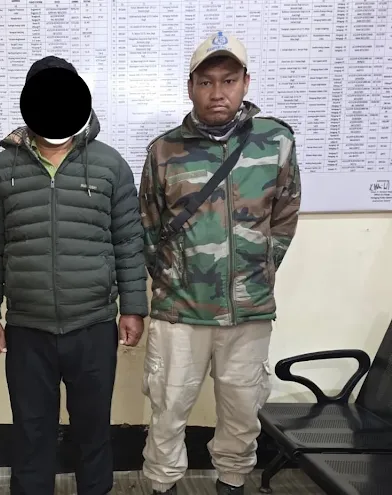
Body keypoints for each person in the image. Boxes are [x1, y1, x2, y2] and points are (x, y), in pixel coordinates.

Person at [0, 55, 149, 495]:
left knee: (93, 428)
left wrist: (133, 308)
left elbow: (129, 241)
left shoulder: (110, 165)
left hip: (93, 324)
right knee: (31, 431)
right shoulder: (1, 170)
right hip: (28, 328)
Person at [138, 33, 301, 495]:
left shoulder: (275, 142)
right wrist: (172, 277)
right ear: (190, 86)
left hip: (248, 311)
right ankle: (163, 484)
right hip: (180, 311)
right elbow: (147, 224)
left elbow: (285, 215)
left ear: (246, 82)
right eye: (206, 81)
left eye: (228, 80)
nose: (217, 92)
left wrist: (259, 269)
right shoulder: (164, 150)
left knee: (242, 410)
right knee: (168, 408)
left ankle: (232, 481)